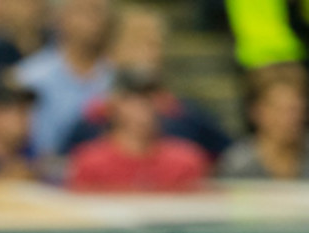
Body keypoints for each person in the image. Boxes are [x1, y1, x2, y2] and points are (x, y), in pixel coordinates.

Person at [62, 8, 231, 161]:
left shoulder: (184, 116)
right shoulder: (92, 121)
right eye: (138, 43)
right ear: (112, 52)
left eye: (156, 44)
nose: (150, 55)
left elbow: (227, 156)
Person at [68, 70, 210, 192]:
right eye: (133, 98)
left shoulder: (185, 161)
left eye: (150, 98)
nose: (144, 106)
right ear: (114, 104)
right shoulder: (90, 162)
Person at [13, 0, 115, 158]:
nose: (94, 20)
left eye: (99, 12)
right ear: (60, 18)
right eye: (84, 11)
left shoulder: (116, 78)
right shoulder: (30, 77)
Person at [219, 70, 309, 179]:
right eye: (279, 110)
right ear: (256, 111)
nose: (290, 119)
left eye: (295, 109)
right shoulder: (237, 164)